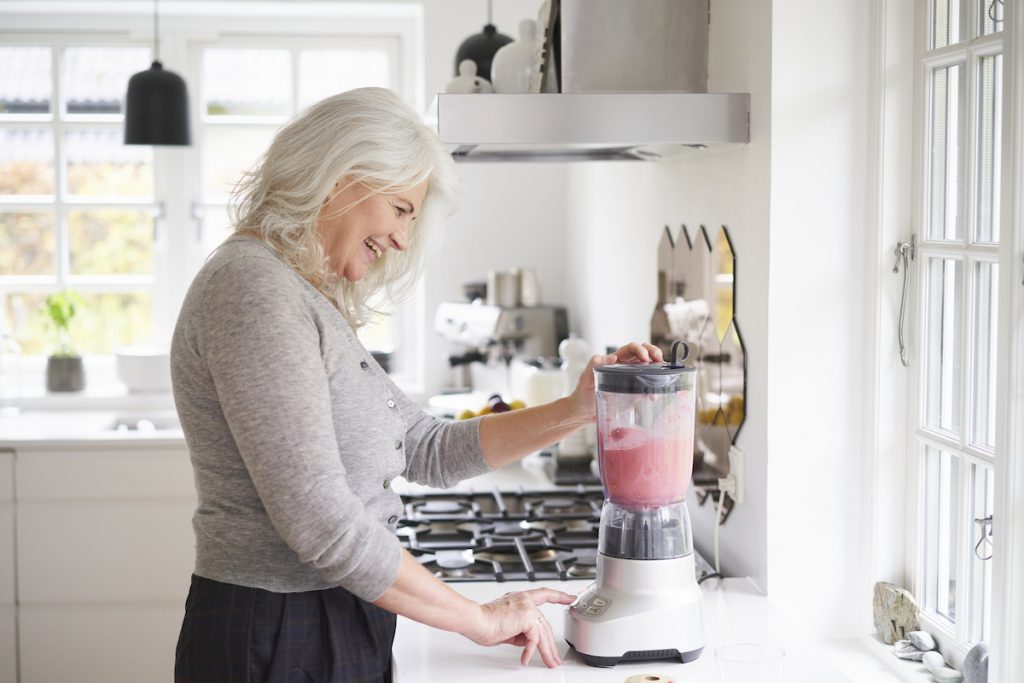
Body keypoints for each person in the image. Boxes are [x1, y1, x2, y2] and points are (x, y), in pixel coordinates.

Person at [170, 86, 664, 682]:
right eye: (401, 209)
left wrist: (576, 409)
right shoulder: (255, 293)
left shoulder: (304, 295)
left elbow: (427, 448)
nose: (403, 238)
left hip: (332, 616)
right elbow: (321, 523)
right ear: (341, 177)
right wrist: (476, 618)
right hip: (276, 631)